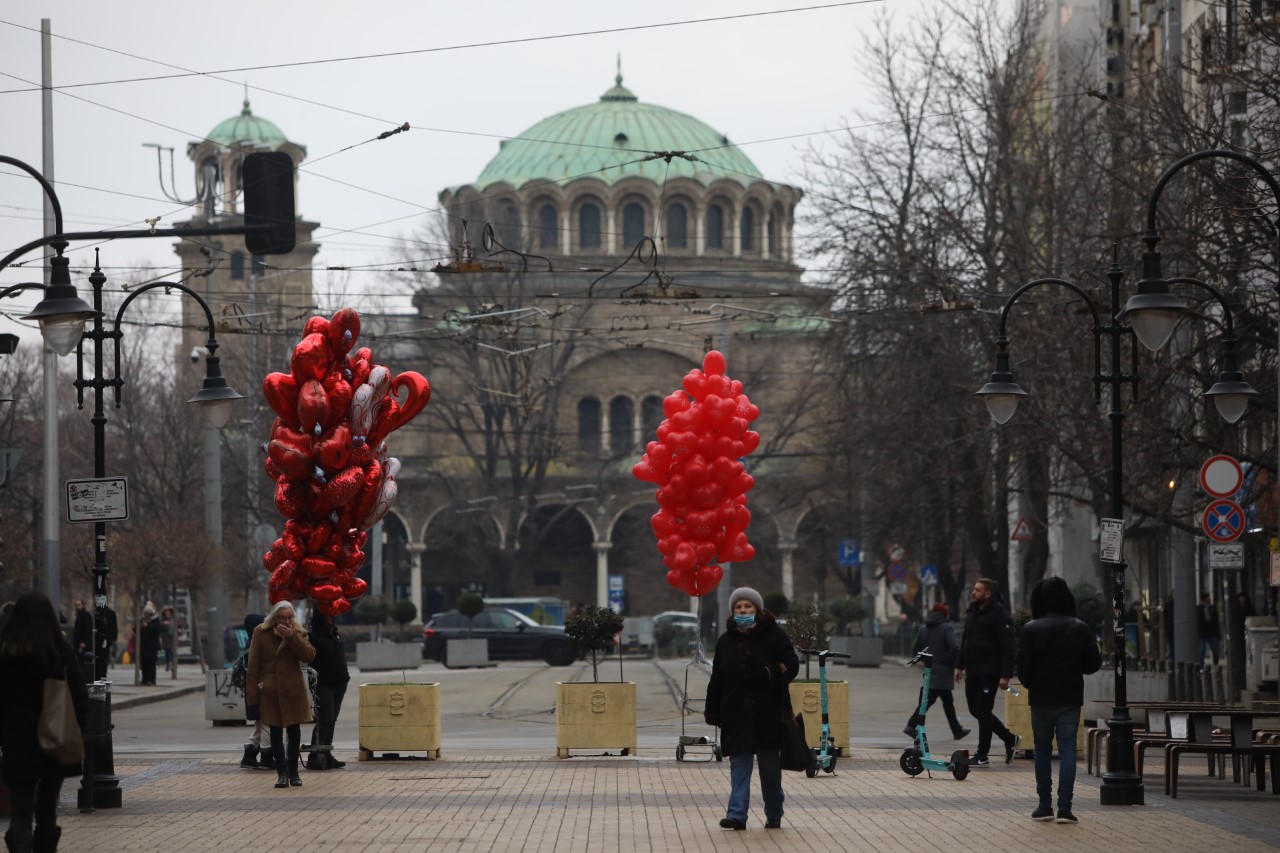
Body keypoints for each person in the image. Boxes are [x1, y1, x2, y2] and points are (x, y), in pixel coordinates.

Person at [0, 591, 89, 853]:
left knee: (21, 812)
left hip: (17, 741)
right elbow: (80, 698)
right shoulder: (59, 652)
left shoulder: (6, 652)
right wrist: (77, 730)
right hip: (55, 738)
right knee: (47, 811)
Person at [704, 587, 799, 831]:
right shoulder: (725, 641)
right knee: (739, 770)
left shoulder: (774, 635)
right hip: (735, 715)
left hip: (767, 715)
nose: (743, 611)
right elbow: (717, 679)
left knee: (769, 773)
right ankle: (736, 815)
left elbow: (791, 664)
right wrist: (712, 710)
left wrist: (770, 672)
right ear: (733, 611)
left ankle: (774, 813)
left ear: (757, 610)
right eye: (738, 607)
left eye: (747, 607)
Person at [1016, 576, 1101, 825]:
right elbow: (1092, 664)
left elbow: (1023, 669)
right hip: (1069, 698)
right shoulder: (1080, 627)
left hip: (1042, 699)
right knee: (1067, 751)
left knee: (1042, 750)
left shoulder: (1032, 628)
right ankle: (1065, 808)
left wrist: (1036, 684)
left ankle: (1044, 806)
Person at [246, 600, 316, 789]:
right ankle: (281, 773)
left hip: (293, 690)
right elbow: (253, 666)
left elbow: (309, 655)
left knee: (294, 732)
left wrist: (293, 637)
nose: (286, 621)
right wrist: (254, 694)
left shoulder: (298, 632)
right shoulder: (261, 632)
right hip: (272, 690)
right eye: (283, 618)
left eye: (289, 617)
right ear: (274, 618)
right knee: (275, 732)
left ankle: (294, 773)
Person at [954, 577, 1020, 767]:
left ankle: (982, 755)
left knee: (983, 711)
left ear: (988, 594)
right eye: (974, 589)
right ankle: (1010, 739)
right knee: (975, 710)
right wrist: (959, 666)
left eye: (978, 590)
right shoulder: (972, 613)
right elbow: (965, 641)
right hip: (973, 671)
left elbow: (1008, 648)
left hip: (989, 672)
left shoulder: (1000, 616)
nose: (973, 593)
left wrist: (1005, 675)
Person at [903, 603, 970, 741]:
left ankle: (957, 730)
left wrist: (926, 661)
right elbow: (953, 646)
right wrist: (956, 662)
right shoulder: (946, 628)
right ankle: (910, 726)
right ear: (945, 614)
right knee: (930, 702)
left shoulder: (922, 629)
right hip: (944, 671)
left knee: (945, 702)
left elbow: (916, 650)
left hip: (930, 671)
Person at [306, 610, 351, 770]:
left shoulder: (334, 632)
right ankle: (315, 755)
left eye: (332, 616)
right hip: (323, 683)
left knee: (331, 720)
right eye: (327, 615)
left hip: (339, 682)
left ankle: (326, 753)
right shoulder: (312, 636)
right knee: (324, 719)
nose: (330, 618)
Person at [237, 613, 274, 771]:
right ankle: (267, 757)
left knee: (260, 724)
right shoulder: (257, 644)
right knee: (267, 723)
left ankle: (249, 755)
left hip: (252, 690)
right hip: (260, 690)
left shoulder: (249, 642)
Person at [138, 602, 160, 686]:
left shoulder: (155, 619)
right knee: (144, 663)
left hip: (152, 645)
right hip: (143, 645)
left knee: (151, 663)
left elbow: (157, 629)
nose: (147, 614)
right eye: (146, 612)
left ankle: (151, 680)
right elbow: (135, 628)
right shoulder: (141, 619)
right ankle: (144, 679)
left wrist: (148, 626)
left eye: (148, 612)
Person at [70, 600, 93, 682]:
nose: (77, 607)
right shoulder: (79, 616)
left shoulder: (86, 615)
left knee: (83, 662)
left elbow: (87, 630)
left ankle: (85, 678)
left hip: (83, 645)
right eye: (76, 605)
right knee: (79, 662)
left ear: (83, 605)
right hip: (79, 643)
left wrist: (84, 642)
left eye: (79, 605)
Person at [93, 603, 117, 681]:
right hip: (101, 639)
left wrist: (113, 638)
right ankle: (100, 675)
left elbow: (114, 627)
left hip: (106, 639)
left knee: (103, 658)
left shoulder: (109, 613)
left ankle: (102, 676)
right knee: (101, 658)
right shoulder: (97, 613)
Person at [1197, 592, 1220, 664]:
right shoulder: (1199, 608)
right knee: (1201, 651)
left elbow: (1216, 621)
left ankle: (1216, 664)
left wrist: (1218, 633)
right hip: (1202, 634)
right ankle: (1201, 667)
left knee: (1216, 650)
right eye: (1207, 597)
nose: (1209, 599)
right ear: (1204, 599)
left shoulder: (1212, 607)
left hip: (1212, 633)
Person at [158, 605, 175, 671]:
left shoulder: (173, 619)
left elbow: (179, 627)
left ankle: (171, 663)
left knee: (171, 651)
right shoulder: (162, 619)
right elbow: (159, 628)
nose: (167, 613)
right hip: (165, 638)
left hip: (172, 638)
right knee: (167, 651)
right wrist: (163, 624)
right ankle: (168, 663)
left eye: (168, 612)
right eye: (166, 612)